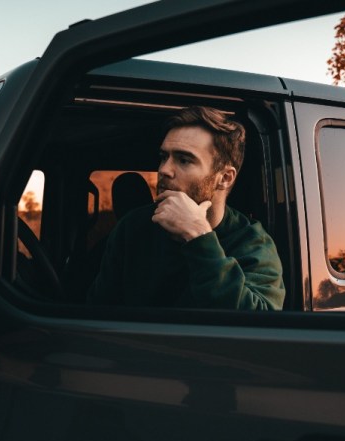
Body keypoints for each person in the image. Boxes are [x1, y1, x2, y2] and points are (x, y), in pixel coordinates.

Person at [87, 106, 285, 310]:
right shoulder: (133, 227)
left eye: (184, 160)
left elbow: (258, 326)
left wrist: (199, 238)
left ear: (225, 178)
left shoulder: (251, 243)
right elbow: (99, 312)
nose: (164, 170)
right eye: (164, 157)